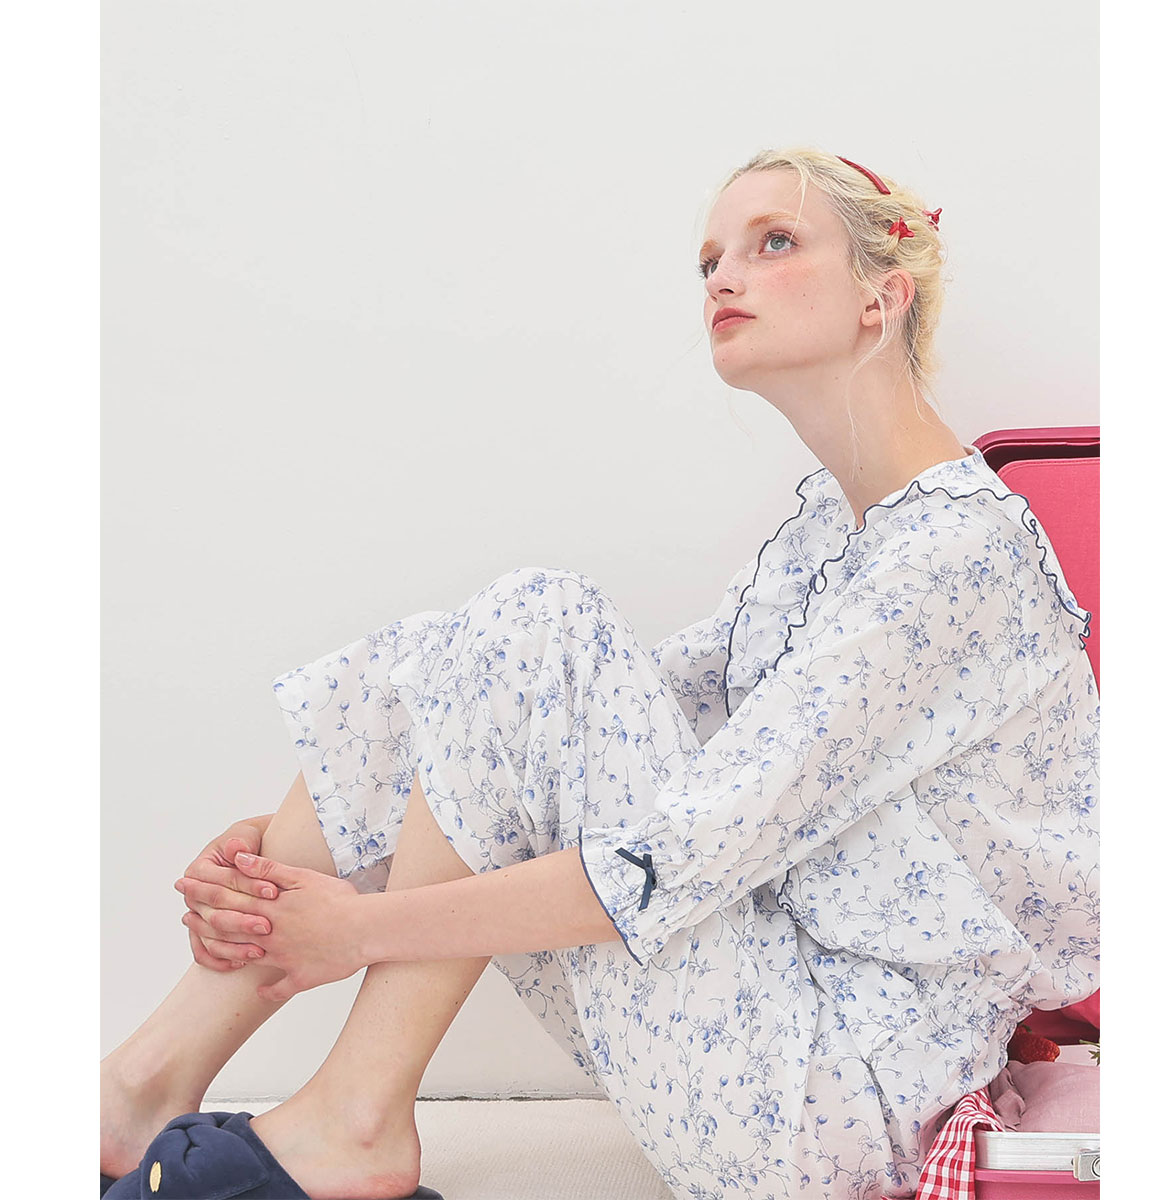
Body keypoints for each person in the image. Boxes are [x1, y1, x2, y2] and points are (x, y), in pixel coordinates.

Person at [100, 146, 1100, 1200]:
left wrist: (353, 928)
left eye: (772, 243)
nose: (723, 276)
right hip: (762, 1029)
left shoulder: (955, 553)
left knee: (540, 622)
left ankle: (350, 1120)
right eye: (709, 259)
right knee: (480, 655)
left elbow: (681, 854)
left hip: (840, 1097)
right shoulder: (830, 534)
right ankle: (144, 1087)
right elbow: (582, 717)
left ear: (880, 298)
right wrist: (314, 833)